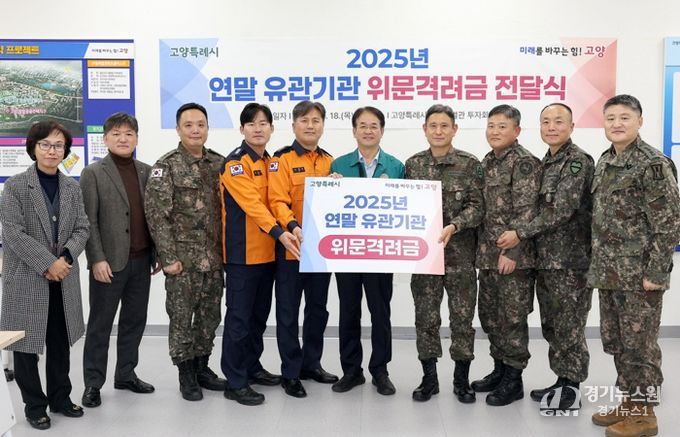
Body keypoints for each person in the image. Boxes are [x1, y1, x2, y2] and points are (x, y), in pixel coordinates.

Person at [588, 94, 680, 437]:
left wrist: (656, 272)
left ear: (639, 122)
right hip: (609, 272)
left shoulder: (652, 164)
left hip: (640, 276)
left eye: (625, 117)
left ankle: (645, 416)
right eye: (611, 118)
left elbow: (669, 222)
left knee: (641, 347)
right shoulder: (606, 160)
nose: (617, 123)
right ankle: (630, 403)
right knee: (618, 342)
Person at [497, 103, 594, 411]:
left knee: (569, 326)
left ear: (572, 126)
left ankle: (572, 387)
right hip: (546, 262)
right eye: (546, 122)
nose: (552, 127)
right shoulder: (546, 162)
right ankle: (561, 381)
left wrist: (520, 232)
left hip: (570, 263)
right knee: (552, 325)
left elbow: (562, 209)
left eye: (558, 122)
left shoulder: (576, 162)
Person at [0, 120, 90, 430]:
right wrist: (48, 263)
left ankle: (60, 398)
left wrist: (65, 258)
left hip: (63, 278)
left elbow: (82, 228)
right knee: (26, 346)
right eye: (46, 145)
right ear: (33, 148)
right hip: (27, 277)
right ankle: (34, 405)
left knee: (59, 342)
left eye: (58, 145)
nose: (52, 151)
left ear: (65, 151)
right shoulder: (15, 186)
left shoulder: (72, 187)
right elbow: (13, 233)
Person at [145, 103, 227, 401]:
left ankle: (202, 367)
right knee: (181, 318)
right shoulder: (166, 166)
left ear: (208, 128)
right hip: (182, 261)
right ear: (178, 129)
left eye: (201, 124)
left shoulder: (219, 163)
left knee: (209, 317)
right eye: (189, 125)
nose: (195, 130)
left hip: (214, 259)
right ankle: (186, 374)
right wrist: (168, 259)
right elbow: (157, 215)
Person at [219, 103, 300, 406]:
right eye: (251, 124)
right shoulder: (235, 163)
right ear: (242, 129)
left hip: (269, 256)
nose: (258, 129)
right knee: (239, 319)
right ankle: (235, 381)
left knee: (258, 318)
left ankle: (252, 367)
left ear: (271, 128)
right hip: (242, 255)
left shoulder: (273, 162)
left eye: (263, 123)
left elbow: (279, 200)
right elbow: (253, 205)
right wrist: (281, 232)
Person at [79, 112, 160, 409]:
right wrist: (96, 259)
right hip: (108, 264)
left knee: (134, 322)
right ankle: (93, 383)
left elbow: (154, 218)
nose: (123, 138)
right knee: (100, 326)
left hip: (141, 261)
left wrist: (157, 253)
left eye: (129, 133)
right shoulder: (93, 173)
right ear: (105, 139)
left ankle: (126, 374)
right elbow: (88, 221)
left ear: (136, 138)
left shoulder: (147, 171)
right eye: (116, 133)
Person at [405, 104, 484, 403]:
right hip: (424, 259)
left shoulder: (469, 164)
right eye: (433, 126)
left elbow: (478, 207)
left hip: (460, 257)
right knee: (425, 319)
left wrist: (455, 224)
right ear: (425, 129)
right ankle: (429, 379)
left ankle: (461, 380)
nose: (438, 131)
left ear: (454, 129)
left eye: (444, 126)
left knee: (462, 320)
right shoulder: (413, 165)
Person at [329, 106, 404, 396]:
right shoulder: (339, 164)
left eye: (374, 126)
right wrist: (330, 187)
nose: (368, 130)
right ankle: (351, 371)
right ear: (354, 130)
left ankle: (380, 371)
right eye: (363, 125)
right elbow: (327, 207)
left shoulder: (396, 167)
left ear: (382, 131)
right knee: (348, 312)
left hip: (381, 253)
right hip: (347, 253)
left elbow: (406, 210)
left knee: (380, 313)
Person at [472, 104, 541, 406]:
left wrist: (512, 251)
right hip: (488, 256)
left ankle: (514, 380)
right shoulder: (487, 161)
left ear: (516, 131)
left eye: (502, 126)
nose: (495, 131)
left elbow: (527, 212)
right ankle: (499, 370)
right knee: (491, 317)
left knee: (512, 319)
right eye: (491, 125)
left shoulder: (524, 162)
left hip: (513, 259)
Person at [268, 100, 337, 398]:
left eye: (316, 120)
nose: (310, 125)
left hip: (321, 251)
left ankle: (312, 364)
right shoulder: (281, 160)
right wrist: (293, 226)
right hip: (292, 249)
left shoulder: (331, 161)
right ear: (294, 125)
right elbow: (277, 201)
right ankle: (291, 372)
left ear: (323, 125)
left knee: (318, 310)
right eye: (304, 120)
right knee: (288, 312)